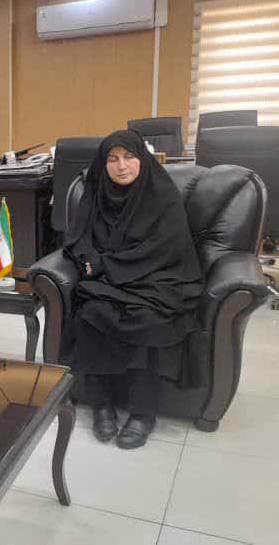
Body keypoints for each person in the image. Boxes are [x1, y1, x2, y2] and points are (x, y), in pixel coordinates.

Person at [61, 130, 202, 450]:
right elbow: (80, 237)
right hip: (111, 282)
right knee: (93, 312)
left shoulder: (162, 194)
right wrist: (89, 261)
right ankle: (102, 405)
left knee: (149, 318)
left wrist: (108, 266)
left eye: (129, 157)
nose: (121, 166)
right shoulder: (96, 192)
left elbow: (166, 248)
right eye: (112, 159)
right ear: (103, 164)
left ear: (143, 159)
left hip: (158, 277)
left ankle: (143, 413)